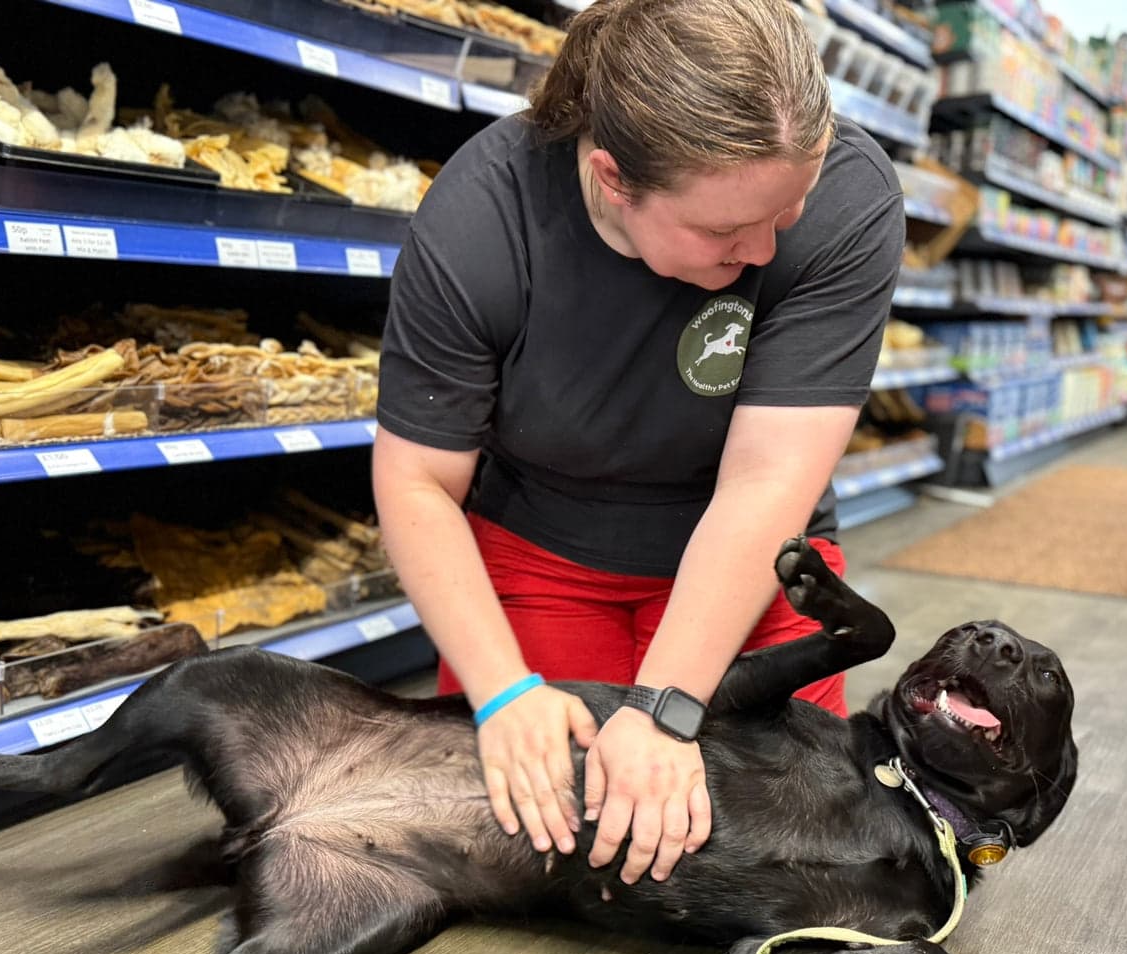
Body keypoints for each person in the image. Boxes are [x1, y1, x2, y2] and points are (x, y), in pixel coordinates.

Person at [372, 0, 904, 890]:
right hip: (540, 551)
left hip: (753, 563)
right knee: (537, 853)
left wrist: (664, 710)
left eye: (789, 208)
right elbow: (418, 477)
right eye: (727, 232)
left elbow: (769, 479)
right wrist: (504, 691)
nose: (769, 246)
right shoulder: (482, 214)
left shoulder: (851, 196)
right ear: (614, 179)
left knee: (794, 859)